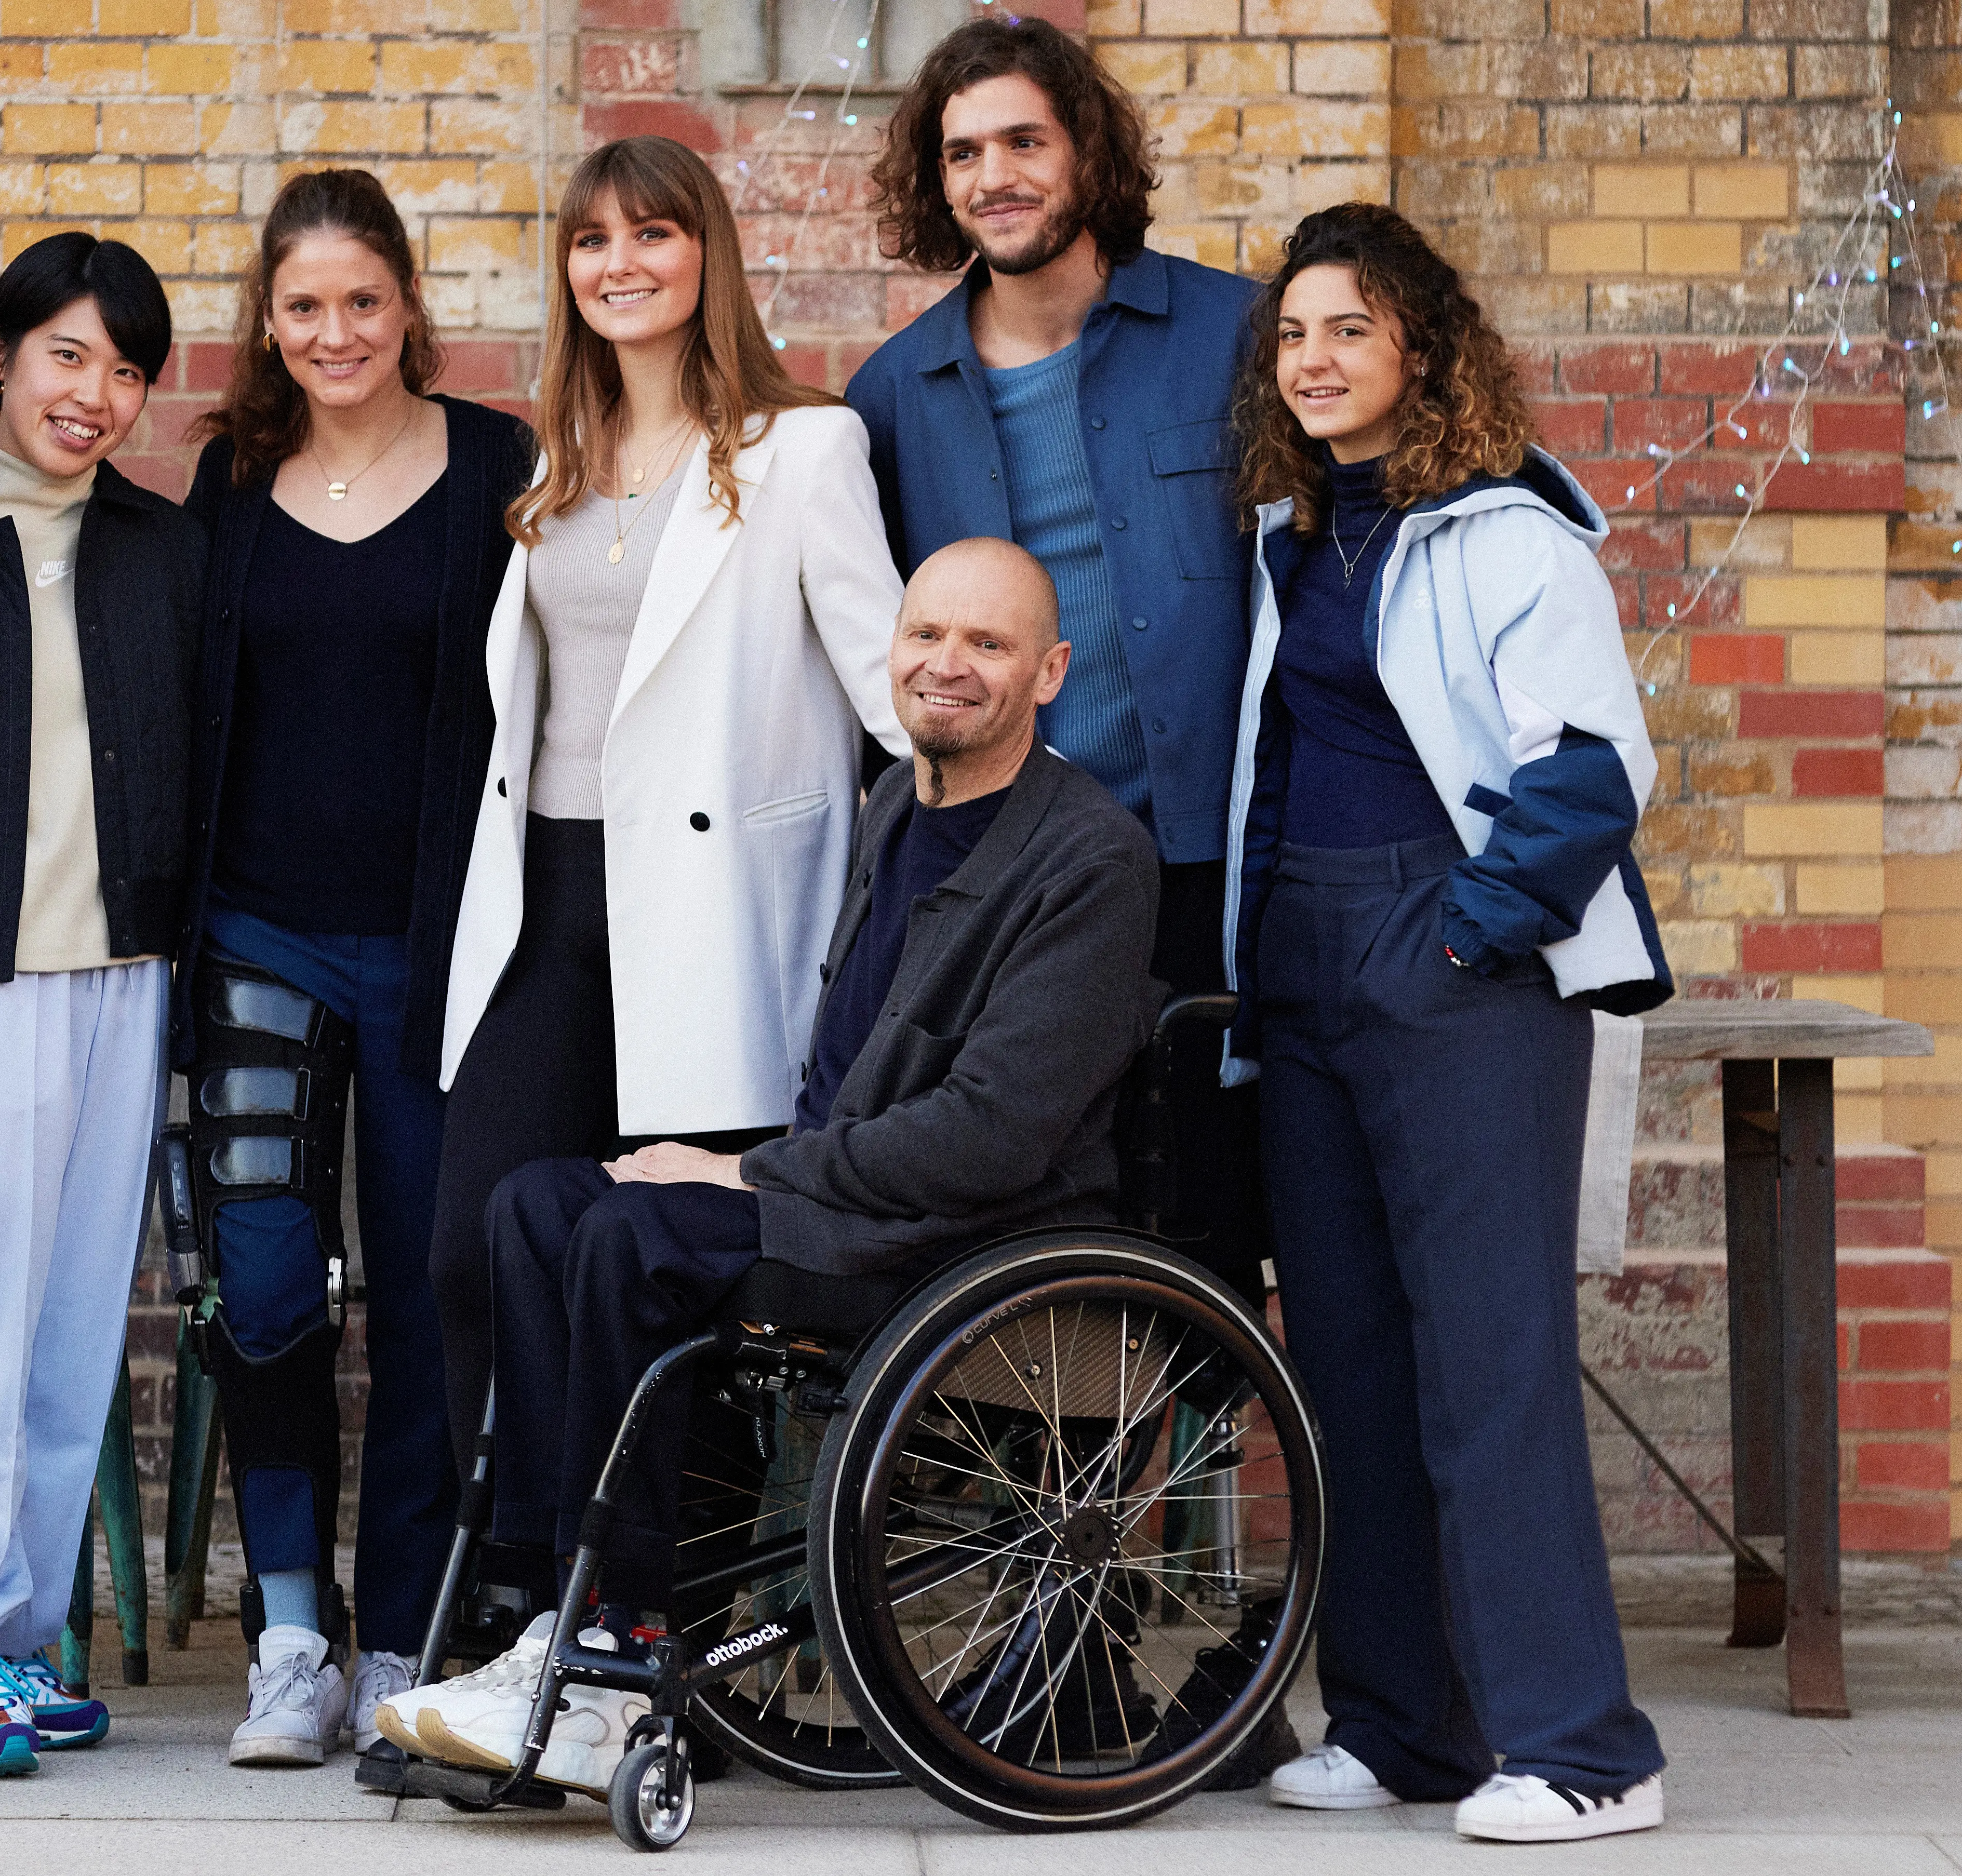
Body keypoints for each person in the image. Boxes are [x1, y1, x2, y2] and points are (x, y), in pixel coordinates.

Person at [373, 538, 1160, 1792]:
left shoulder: (1088, 858)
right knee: (529, 1207)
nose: (945, 666)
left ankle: (620, 1655)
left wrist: (748, 1178)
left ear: (1050, 671)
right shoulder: (898, 803)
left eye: (987, 645)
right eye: (925, 637)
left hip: (960, 1243)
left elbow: (995, 1137)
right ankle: (549, 1617)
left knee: (635, 1233)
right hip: (840, 1201)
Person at [1221, 203, 1674, 1843]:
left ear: (1422, 346)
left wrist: (1470, 934)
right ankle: (1405, 1724)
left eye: (1348, 328)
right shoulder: (1292, 534)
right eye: (1292, 334)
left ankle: (1583, 1748)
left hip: (1455, 955)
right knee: (1345, 1359)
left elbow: (1592, 770)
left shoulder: (1510, 536)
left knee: (1488, 1365)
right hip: (1308, 968)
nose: (1315, 359)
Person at [428, 133, 908, 1488]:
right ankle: (528, 1597)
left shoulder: (803, 450)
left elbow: (889, 699)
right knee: (474, 1245)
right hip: (544, 904)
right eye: (591, 240)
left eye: (652, 234)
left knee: (672, 1275)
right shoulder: (552, 467)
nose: (619, 263)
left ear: (707, 254)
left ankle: (663, 1627)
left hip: (708, 922)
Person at [177, 169, 535, 1768]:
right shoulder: (230, 477)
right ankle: (291, 1636)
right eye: (303, 306)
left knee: (423, 1286)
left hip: (433, 939)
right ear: (269, 320)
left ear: (409, 307)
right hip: (255, 928)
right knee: (260, 1283)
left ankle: (403, 1626)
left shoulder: (493, 468)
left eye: (362, 302)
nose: (335, 332)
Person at [842, 17, 1273, 1322]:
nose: (994, 177)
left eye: (1023, 140)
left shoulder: (1234, 337)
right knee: (1019, 1219)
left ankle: (1191, 1526)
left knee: (1210, 1221)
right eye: (963, 152)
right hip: (1007, 882)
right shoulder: (893, 392)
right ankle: (1031, 1520)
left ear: (1085, 150)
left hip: (1203, 863)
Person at [0, 232, 204, 1780]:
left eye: (126, 368)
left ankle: (12, 1640)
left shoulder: (159, 547)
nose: (96, 392)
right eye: (68, 354)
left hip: (123, 972)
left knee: (75, 1328)